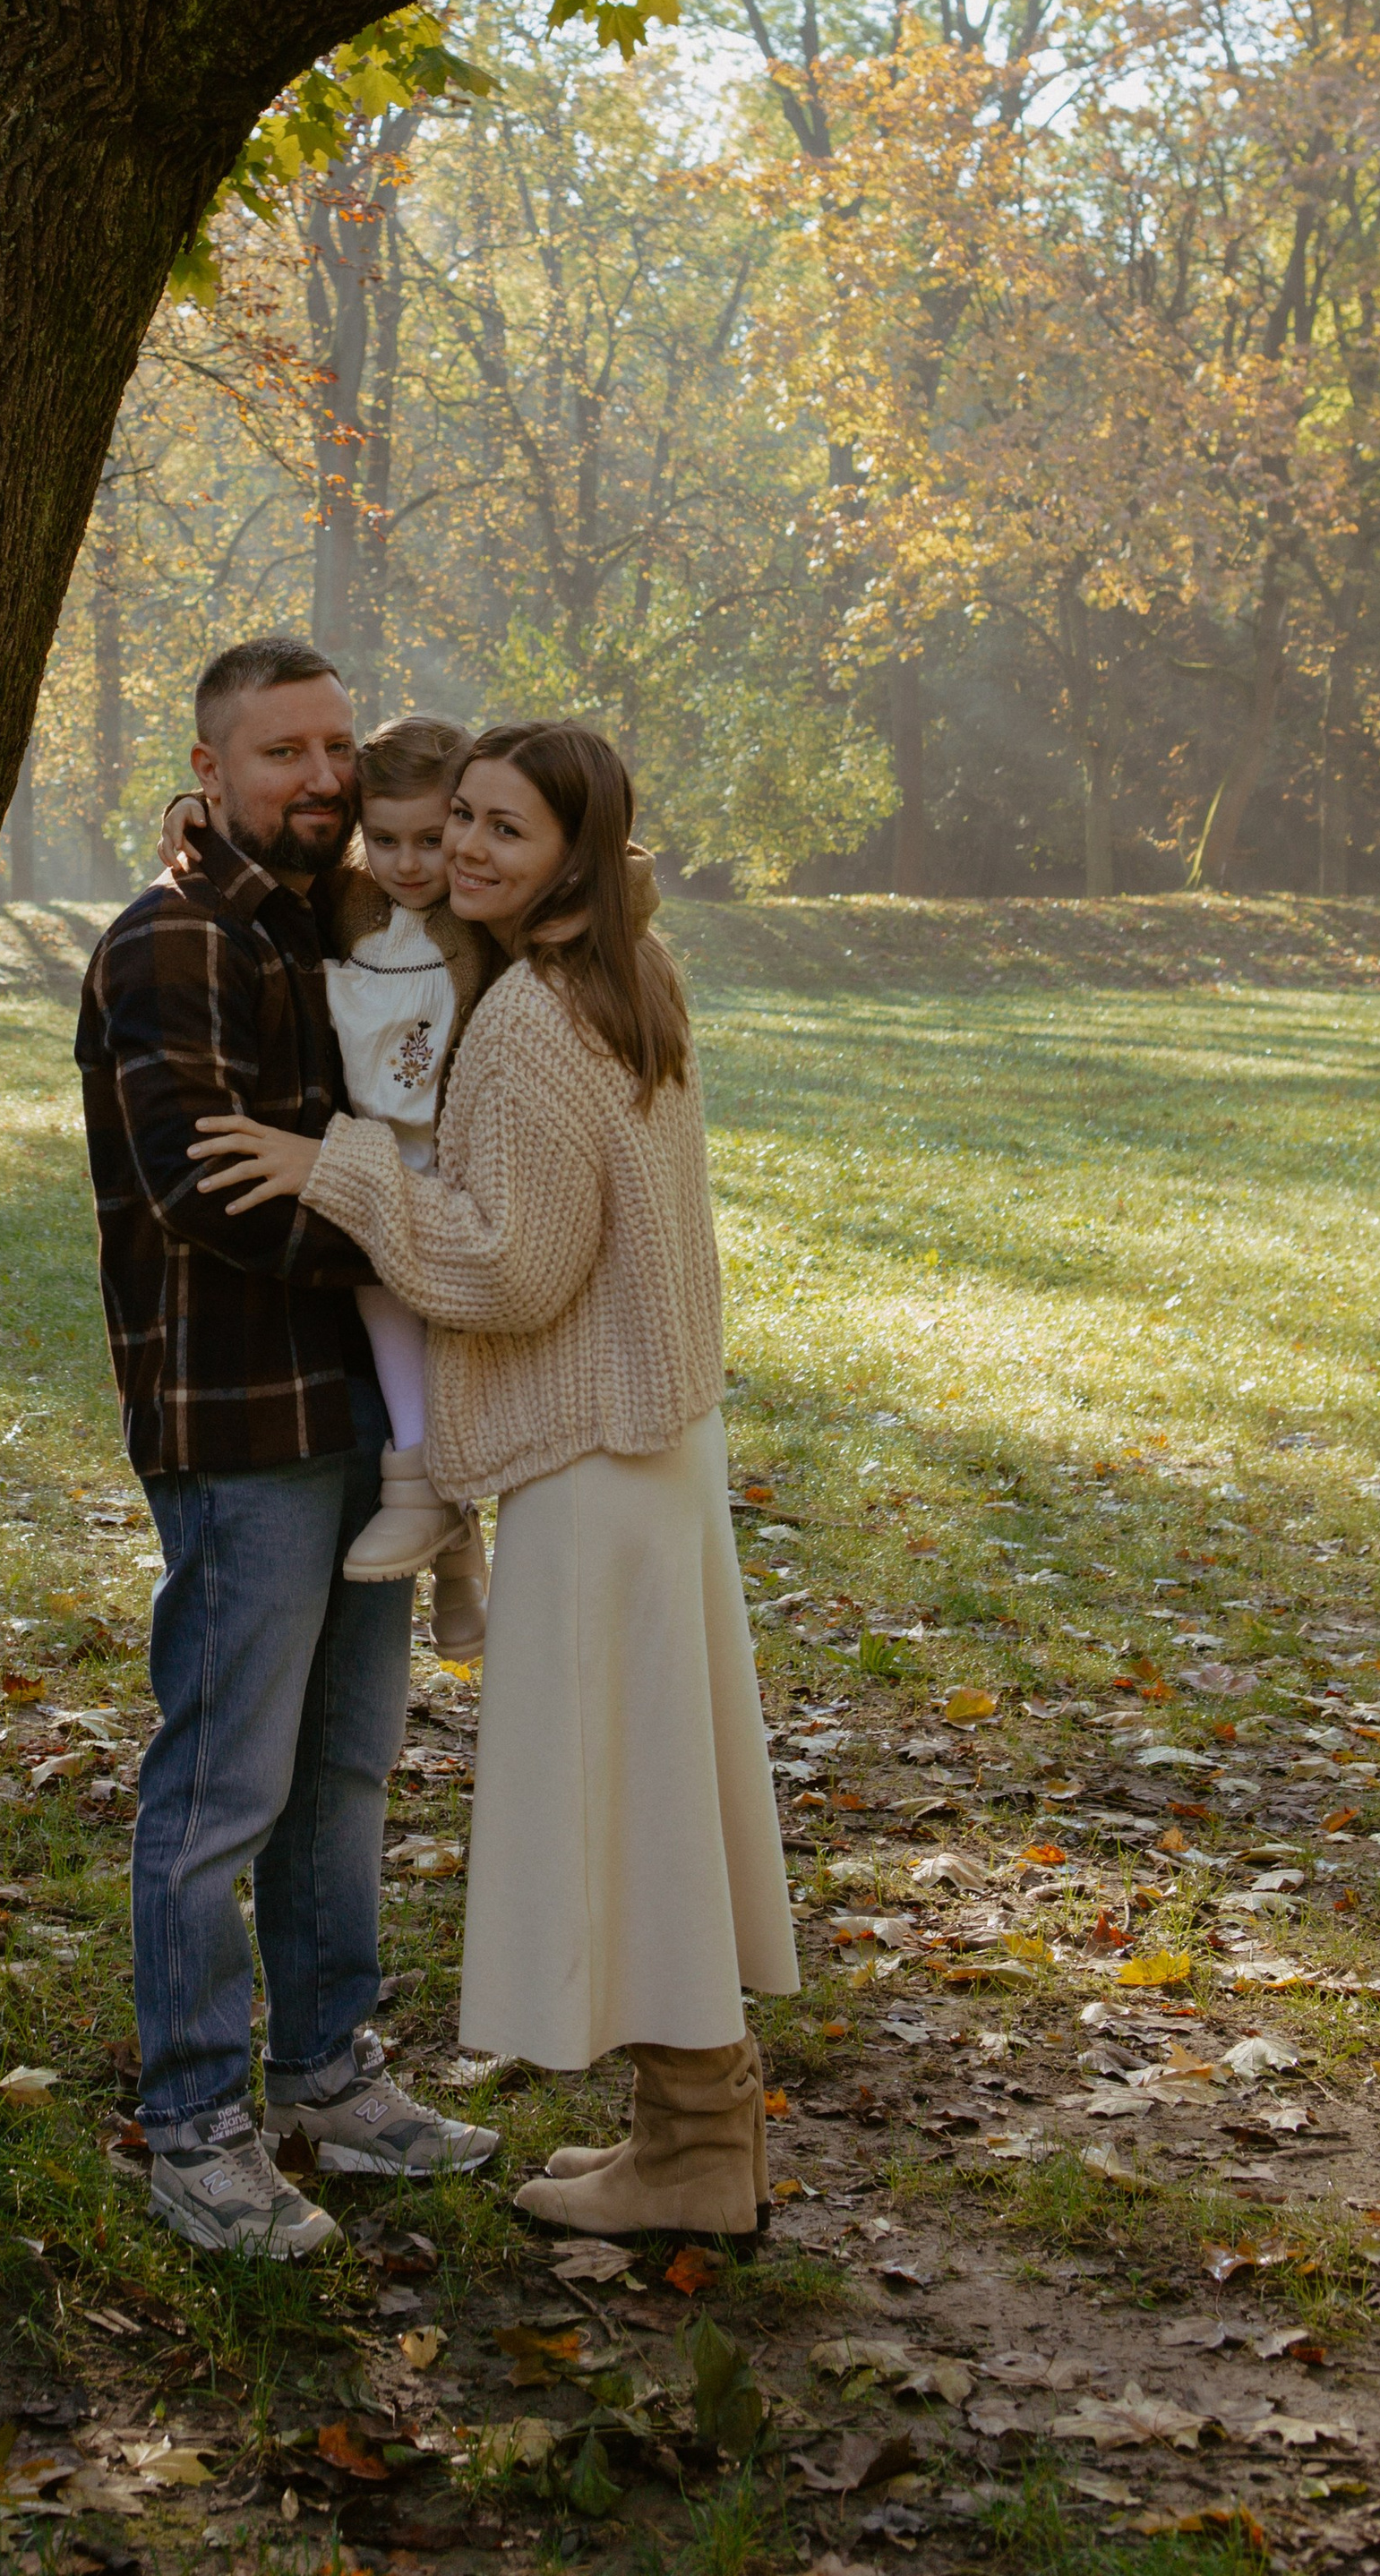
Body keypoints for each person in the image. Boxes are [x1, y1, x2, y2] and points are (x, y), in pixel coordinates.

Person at [189, 720, 796, 2236]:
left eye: (503, 832)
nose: (463, 851)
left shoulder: (532, 1015)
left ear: (571, 856)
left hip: (596, 1459)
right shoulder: (626, 971)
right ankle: (690, 2132)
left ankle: (700, 2153)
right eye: (457, 818)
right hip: (652, 1450)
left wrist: (338, 1166)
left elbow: (516, 1271)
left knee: (634, 1798)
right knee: (660, 1790)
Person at [75, 634, 499, 2260]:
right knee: (222, 1789)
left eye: (336, 747)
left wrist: (379, 1192)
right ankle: (194, 2131)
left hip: (363, 1430)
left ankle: (332, 2076)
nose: (320, 777)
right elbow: (214, 1195)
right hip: (241, 1428)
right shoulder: (172, 945)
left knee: (344, 1775)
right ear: (210, 770)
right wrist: (418, 1222)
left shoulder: (338, 933)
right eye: (282, 755)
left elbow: (370, 1139)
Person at [160, 714, 493, 1655]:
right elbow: (257, 863)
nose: (411, 864)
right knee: (389, 1323)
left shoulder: (481, 918)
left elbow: (580, 884)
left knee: (446, 1355)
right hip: (365, 1160)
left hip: (444, 1163)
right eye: (384, 840)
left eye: (433, 839)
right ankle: (430, 1502)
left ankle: (452, 1537)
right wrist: (195, 810)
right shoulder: (346, 903)